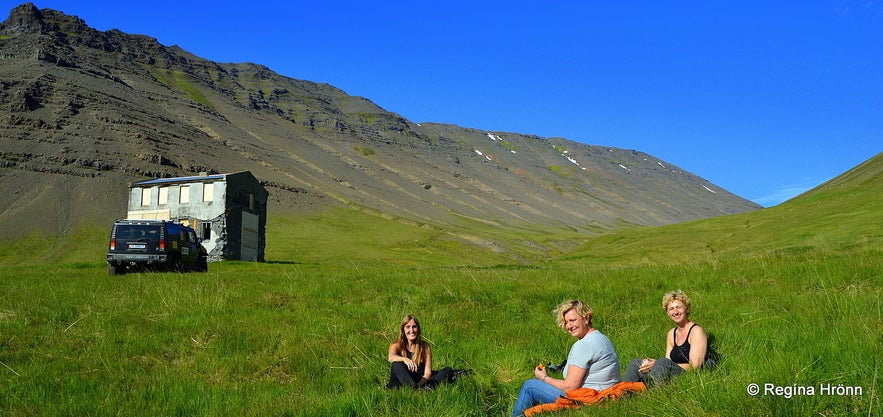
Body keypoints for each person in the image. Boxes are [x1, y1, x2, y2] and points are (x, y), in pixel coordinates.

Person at [511, 300, 620, 417]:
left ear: (586, 318)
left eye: (573, 320)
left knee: (530, 386)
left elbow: (570, 387)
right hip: (605, 396)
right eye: (566, 322)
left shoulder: (583, 345)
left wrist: (544, 378)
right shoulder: (601, 337)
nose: (569, 326)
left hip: (586, 401)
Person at [623, 290, 709, 385]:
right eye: (671, 309)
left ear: (687, 308)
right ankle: (622, 392)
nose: (675, 312)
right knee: (636, 363)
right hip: (669, 372)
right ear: (668, 313)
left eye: (678, 307)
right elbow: (668, 360)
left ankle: (653, 392)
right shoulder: (671, 333)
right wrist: (655, 364)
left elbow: (695, 366)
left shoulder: (696, 331)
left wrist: (659, 364)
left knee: (662, 362)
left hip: (686, 376)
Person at [386, 314, 454, 389]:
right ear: (403, 330)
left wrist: (419, 385)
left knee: (448, 370)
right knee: (396, 364)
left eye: (414, 327)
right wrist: (404, 359)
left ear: (418, 329)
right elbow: (391, 357)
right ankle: (414, 390)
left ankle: (422, 389)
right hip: (401, 381)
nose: (411, 330)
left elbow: (427, 373)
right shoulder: (396, 345)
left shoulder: (425, 346)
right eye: (408, 327)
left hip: (419, 380)